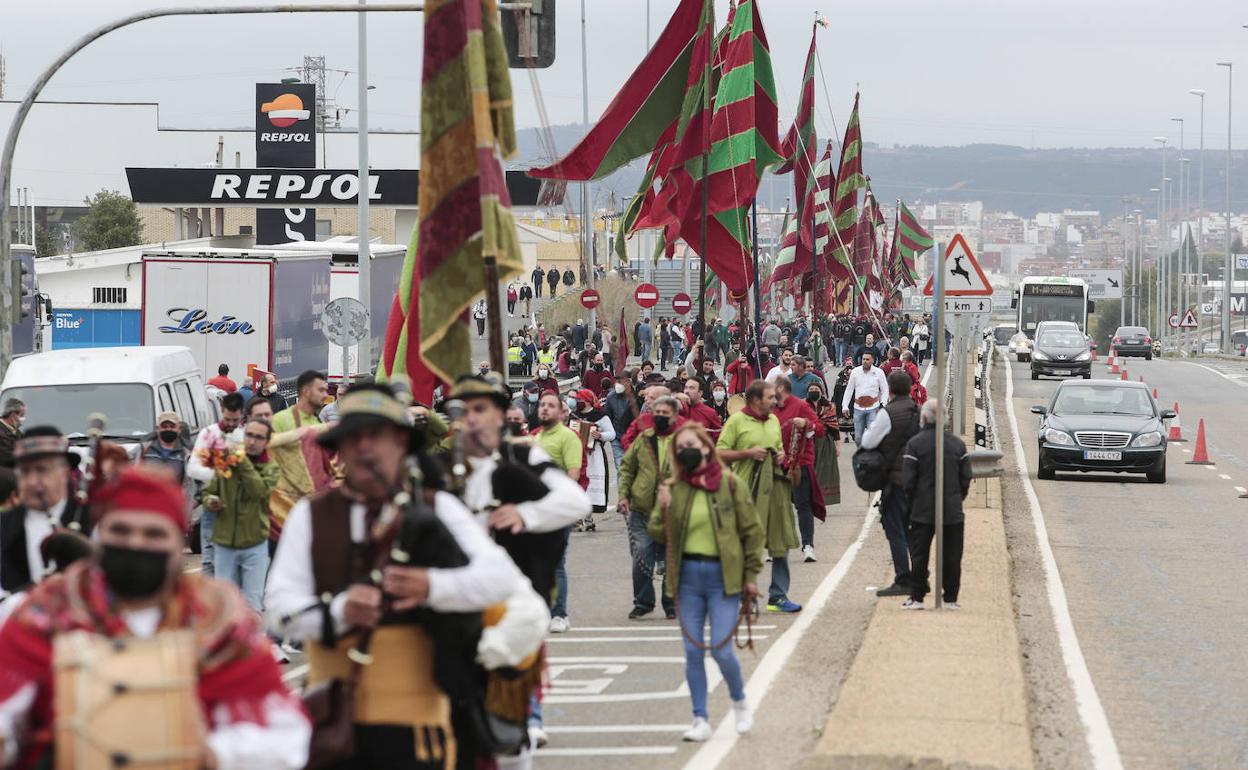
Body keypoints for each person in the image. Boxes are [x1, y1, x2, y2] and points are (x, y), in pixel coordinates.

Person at [267, 384, 527, 768]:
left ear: (402, 442)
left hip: (419, 731)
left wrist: (433, 587)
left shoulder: (439, 507)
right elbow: (277, 609)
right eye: (353, 437)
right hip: (336, 729)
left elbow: (501, 579)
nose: (364, 447)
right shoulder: (312, 515)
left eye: (376, 435)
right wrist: (340, 611)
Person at [0, 467, 311, 769]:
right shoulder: (43, 615)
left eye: (154, 533)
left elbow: (287, 736)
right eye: (121, 530)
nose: (136, 543)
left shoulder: (221, 624)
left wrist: (203, 753)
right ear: (99, 537)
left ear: (179, 543)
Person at [448, 374, 589, 752]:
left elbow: (575, 502)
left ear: (500, 415)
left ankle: (531, 717)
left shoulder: (525, 456)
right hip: (458, 593)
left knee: (517, 666)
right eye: (463, 412)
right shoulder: (442, 468)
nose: (471, 419)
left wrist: (524, 514)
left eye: (481, 409)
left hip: (515, 586)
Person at [649, 423, 762, 742]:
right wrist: (663, 507)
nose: (686, 450)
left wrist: (751, 576)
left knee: (722, 651)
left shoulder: (729, 483)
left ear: (706, 447)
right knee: (692, 650)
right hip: (687, 580)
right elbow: (658, 533)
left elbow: (752, 532)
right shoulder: (675, 487)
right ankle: (700, 717)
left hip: (723, 578)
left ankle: (739, 700)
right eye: (680, 446)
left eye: (692, 444)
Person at [717, 381, 799, 613]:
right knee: (745, 545)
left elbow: (778, 447)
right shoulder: (736, 421)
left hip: (776, 490)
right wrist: (747, 453)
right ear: (755, 400)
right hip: (747, 492)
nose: (775, 401)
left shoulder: (773, 420)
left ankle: (778, 596)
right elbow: (719, 453)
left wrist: (780, 455)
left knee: (781, 542)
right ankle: (744, 595)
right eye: (770, 397)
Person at [0, 428, 92, 596]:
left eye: (42, 470)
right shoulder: (4, 525)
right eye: (25, 472)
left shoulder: (91, 519)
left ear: (64, 473)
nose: (32, 482)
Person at [901, 398, 972, 609]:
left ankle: (917, 596)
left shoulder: (914, 444)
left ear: (924, 418)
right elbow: (966, 478)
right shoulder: (958, 445)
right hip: (951, 510)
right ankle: (950, 597)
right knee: (952, 555)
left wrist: (913, 501)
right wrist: (957, 498)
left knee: (919, 554)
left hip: (922, 510)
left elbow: (908, 481)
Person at [202, 417, 279, 613]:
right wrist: (211, 500)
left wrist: (243, 463)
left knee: (252, 604)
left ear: (267, 442)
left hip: (255, 544)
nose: (252, 441)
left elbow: (259, 492)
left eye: (258, 437)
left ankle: (250, 642)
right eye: (249, 435)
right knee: (225, 605)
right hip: (224, 543)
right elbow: (209, 491)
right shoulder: (226, 460)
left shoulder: (271, 467)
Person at [860, 370, 921, 597]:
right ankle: (919, 576)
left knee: (896, 531)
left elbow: (868, 440)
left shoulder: (889, 413)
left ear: (891, 390)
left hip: (895, 481)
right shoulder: (918, 411)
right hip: (917, 480)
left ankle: (903, 578)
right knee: (914, 530)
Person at [618, 395, 680, 621]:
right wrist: (624, 496)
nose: (660, 417)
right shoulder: (644, 439)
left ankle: (671, 603)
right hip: (642, 510)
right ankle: (643, 602)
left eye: (665, 414)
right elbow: (627, 468)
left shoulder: (683, 441)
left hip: (673, 511)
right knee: (641, 556)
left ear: (674, 416)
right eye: (657, 413)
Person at [531, 391, 585, 634]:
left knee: (556, 563)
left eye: (550, 406)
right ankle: (541, 611)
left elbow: (573, 474)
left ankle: (559, 613)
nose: (544, 409)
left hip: (556, 508)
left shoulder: (568, 437)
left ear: (561, 412)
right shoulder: (534, 438)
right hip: (535, 510)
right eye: (542, 405)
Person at [187, 392, 246, 576]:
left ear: (242, 414)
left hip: (238, 508)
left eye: (235, 420)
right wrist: (222, 475)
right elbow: (193, 468)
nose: (230, 424)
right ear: (221, 411)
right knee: (209, 561)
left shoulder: (244, 436)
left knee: (236, 561)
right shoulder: (209, 434)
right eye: (227, 419)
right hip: (213, 504)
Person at [773, 378, 825, 563]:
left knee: (803, 505)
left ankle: (808, 545)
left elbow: (819, 429)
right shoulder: (771, 409)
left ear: (781, 389)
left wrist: (806, 423)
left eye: (773, 387)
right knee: (778, 506)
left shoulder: (801, 406)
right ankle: (777, 545)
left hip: (798, 463)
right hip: (777, 463)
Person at [569, 389, 616, 529]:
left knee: (590, 486)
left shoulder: (600, 416)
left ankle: (588, 518)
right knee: (577, 485)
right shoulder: (573, 416)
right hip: (576, 453)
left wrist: (600, 436)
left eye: (580, 400)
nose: (577, 403)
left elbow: (611, 434)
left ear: (588, 402)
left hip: (594, 455)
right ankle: (577, 518)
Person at [841, 351, 889, 447]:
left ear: (872, 360)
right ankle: (861, 454)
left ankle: (870, 456)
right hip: (858, 408)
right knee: (858, 437)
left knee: (872, 436)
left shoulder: (879, 372)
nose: (865, 361)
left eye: (867, 359)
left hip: (873, 408)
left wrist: (883, 404)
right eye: (863, 359)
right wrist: (845, 406)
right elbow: (849, 389)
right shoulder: (855, 372)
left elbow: (885, 389)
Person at [807, 382, 841, 508]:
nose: (814, 391)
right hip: (808, 441)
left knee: (823, 471)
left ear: (821, 392)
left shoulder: (829, 406)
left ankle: (821, 499)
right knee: (810, 470)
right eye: (811, 389)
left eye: (816, 389)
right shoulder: (804, 406)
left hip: (825, 441)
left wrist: (838, 445)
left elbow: (834, 427)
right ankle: (810, 497)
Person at [271, 369, 327, 434]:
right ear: (306, 391)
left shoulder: (318, 422)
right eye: (321, 390)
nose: (325, 395)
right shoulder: (280, 420)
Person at [603, 375, 638, 469]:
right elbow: (607, 417)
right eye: (617, 382)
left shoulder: (636, 396)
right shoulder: (611, 397)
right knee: (621, 466)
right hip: (617, 437)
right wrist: (611, 435)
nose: (619, 384)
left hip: (633, 438)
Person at [0, 399, 24, 468]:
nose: (22, 419)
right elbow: (5, 457)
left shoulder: (14, 430)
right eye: (21, 415)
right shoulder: (2, 432)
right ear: (13, 415)